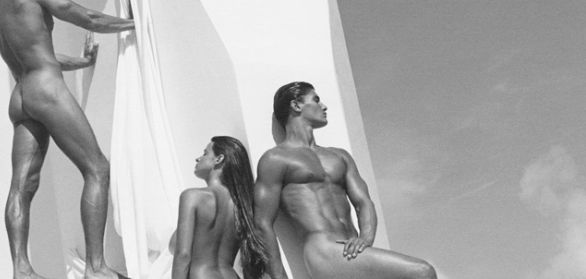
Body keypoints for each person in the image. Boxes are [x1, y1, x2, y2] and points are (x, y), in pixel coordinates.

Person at [0, 0, 135, 279]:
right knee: (97, 168)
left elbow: (34, 56)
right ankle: (95, 267)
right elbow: (87, 17)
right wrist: (133, 23)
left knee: (21, 186)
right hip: (47, 90)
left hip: (21, 97)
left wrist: (81, 61)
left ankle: (21, 269)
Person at [252, 82, 437, 279]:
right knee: (422, 272)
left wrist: (366, 238)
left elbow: (363, 202)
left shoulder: (339, 156)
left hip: (353, 250)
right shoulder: (276, 158)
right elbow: (262, 221)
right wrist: (279, 276)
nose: (324, 106)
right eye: (316, 100)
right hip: (323, 251)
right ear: (296, 105)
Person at [173, 136, 266, 279]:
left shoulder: (192, 196)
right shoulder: (243, 205)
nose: (198, 159)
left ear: (219, 159)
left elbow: (183, 254)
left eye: (205, 153)